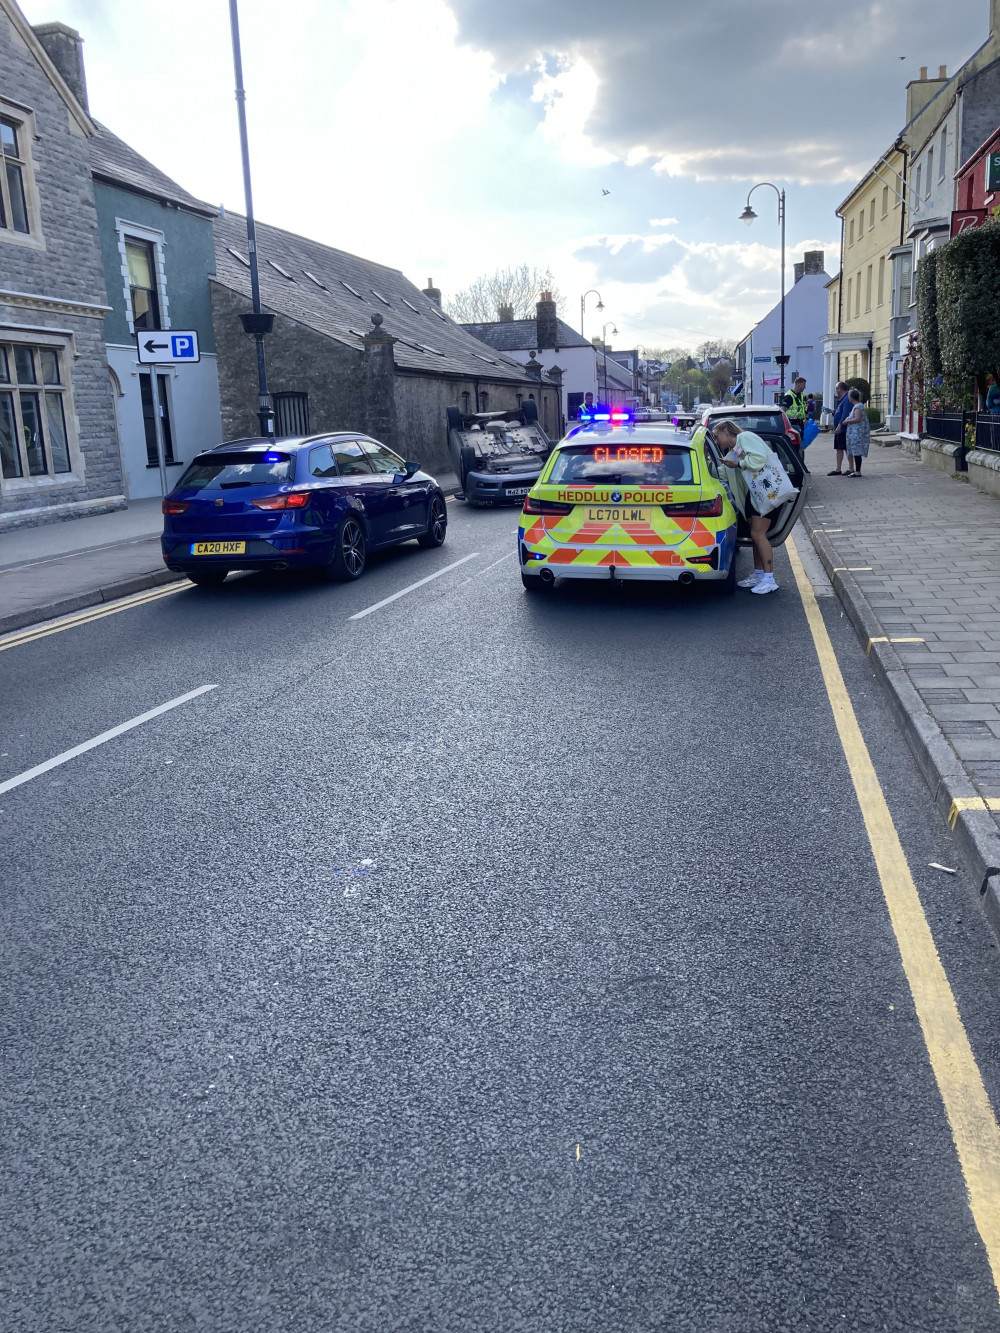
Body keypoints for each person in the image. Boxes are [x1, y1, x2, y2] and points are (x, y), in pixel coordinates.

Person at [712, 418, 779, 595]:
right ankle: (759, 575)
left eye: (717, 436)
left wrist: (739, 463)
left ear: (726, 431)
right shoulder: (736, 449)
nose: (716, 440)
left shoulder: (745, 437)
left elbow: (758, 459)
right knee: (754, 535)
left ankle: (769, 579)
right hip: (755, 493)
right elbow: (726, 472)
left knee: (758, 534)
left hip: (765, 492)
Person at [843, 388, 870, 476]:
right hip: (855, 433)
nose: (848, 398)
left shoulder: (858, 406)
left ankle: (858, 471)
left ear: (852, 397)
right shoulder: (857, 406)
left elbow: (858, 419)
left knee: (857, 452)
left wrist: (847, 421)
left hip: (857, 433)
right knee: (855, 451)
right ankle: (856, 471)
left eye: (849, 396)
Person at [781, 376, 808, 452]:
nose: (805, 387)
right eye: (804, 385)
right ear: (798, 385)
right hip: (792, 425)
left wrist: (806, 418)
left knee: (799, 447)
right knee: (794, 447)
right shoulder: (789, 396)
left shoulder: (802, 396)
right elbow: (782, 410)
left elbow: (805, 407)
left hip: (800, 424)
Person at [829, 381, 851, 475]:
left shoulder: (846, 399)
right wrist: (833, 411)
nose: (836, 391)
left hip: (843, 428)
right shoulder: (842, 399)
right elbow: (840, 412)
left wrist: (840, 425)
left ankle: (851, 468)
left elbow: (845, 413)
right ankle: (838, 469)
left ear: (840, 388)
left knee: (846, 448)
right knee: (839, 448)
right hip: (840, 428)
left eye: (836, 388)